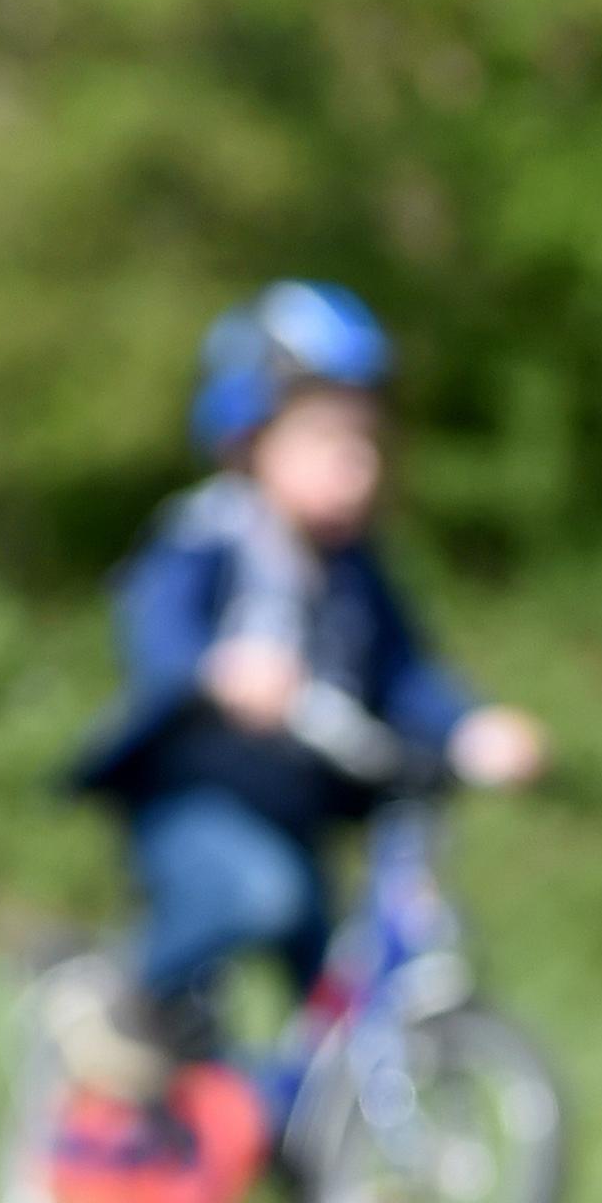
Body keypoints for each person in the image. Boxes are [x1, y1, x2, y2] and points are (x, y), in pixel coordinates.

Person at [53, 281, 547, 1098]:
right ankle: (117, 997)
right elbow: (156, 624)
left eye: (367, 443)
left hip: (306, 814)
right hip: (198, 801)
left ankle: (306, 1150)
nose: (357, 464)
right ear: (250, 440)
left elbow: (405, 675)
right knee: (262, 896)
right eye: (326, 440)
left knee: (340, 999)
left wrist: (472, 729)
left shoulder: (357, 576)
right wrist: (219, 669)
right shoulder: (211, 532)